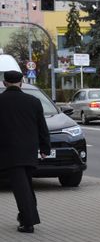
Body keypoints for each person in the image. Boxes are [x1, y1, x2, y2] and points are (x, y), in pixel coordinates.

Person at [0, 71, 51, 233]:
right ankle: (26, 217)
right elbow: (42, 128)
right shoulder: (34, 101)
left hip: (9, 151)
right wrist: (45, 148)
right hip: (29, 150)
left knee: (21, 187)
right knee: (26, 185)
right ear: (21, 82)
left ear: (4, 83)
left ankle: (28, 222)